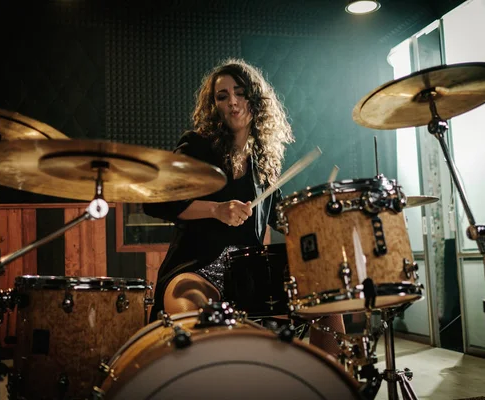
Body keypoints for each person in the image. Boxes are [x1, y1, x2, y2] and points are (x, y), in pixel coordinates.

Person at [142, 58, 345, 359]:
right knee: (194, 317)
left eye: (240, 92)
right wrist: (216, 210)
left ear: (255, 99)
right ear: (214, 106)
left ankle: (328, 383)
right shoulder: (197, 146)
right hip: (197, 269)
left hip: (250, 278)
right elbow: (157, 201)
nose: (233, 102)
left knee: (328, 299)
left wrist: (317, 219)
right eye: (222, 96)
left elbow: (282, 219)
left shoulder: (263, 164)